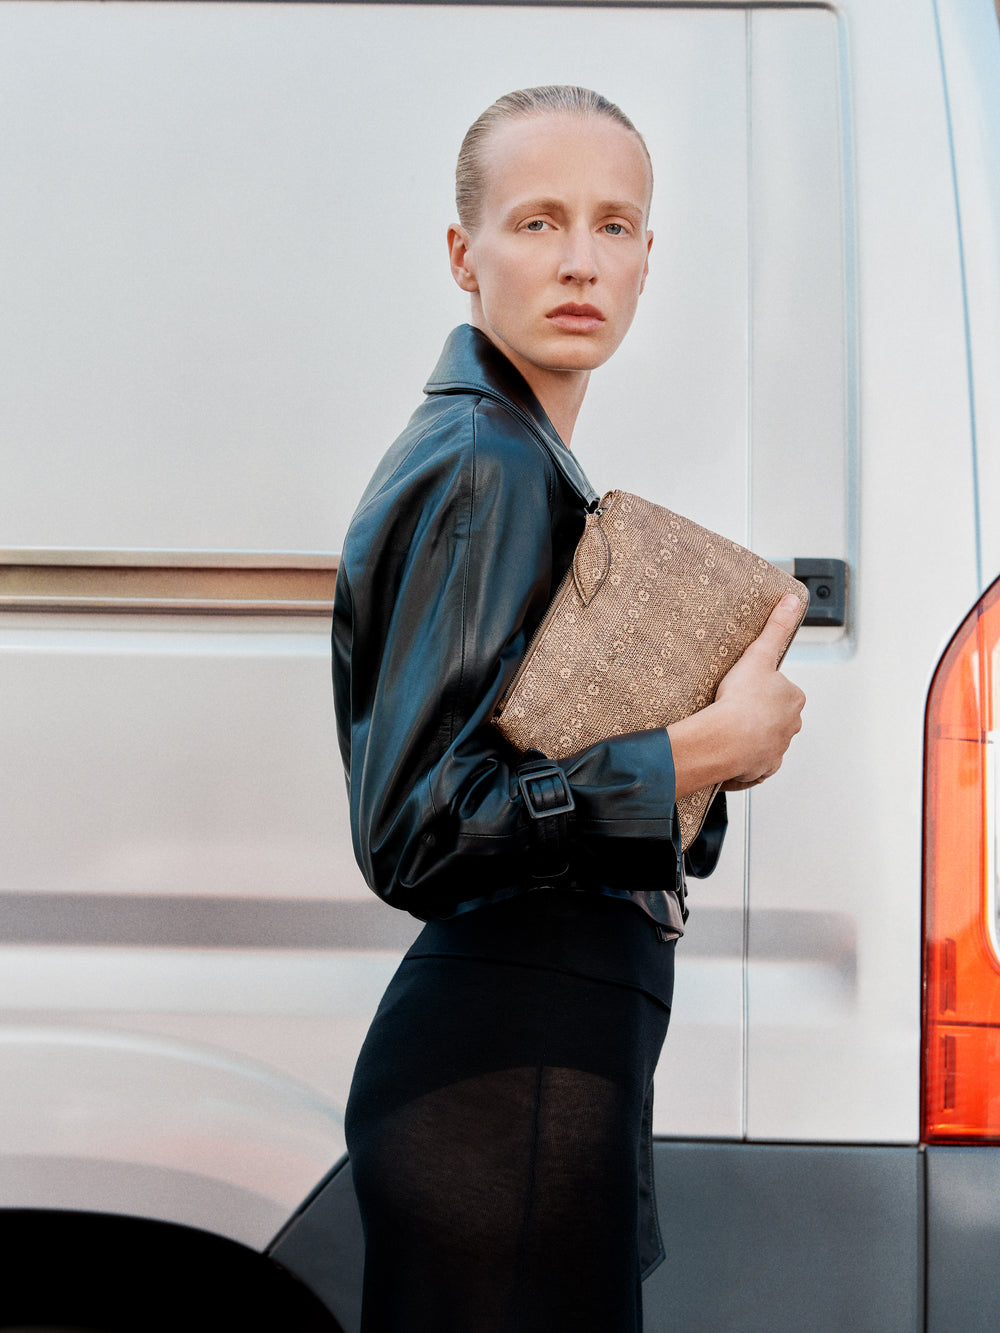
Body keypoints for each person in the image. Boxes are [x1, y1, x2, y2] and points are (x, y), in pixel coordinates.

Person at [332, 85, 805, 1333]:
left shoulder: (523, 457)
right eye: (538, 221)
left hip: (527, 1072)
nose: (580, 261)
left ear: (649, 256)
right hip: (504, 1086)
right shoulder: (483, 466)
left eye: (614, 225)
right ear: (463, 254)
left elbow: (525, 768)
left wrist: (696, 760)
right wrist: (695, 750)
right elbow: (419, 830)